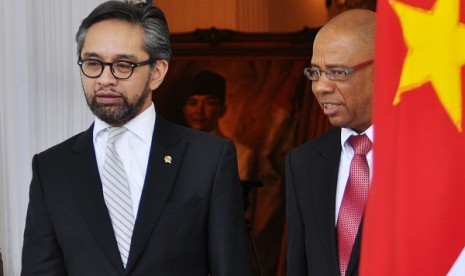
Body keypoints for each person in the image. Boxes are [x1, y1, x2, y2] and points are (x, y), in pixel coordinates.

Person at [21, 1, 252, 275]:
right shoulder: (51, 169)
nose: (105, 79)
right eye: (93, 63)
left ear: (157, 73)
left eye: (123, 65)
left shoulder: (208, 160)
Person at [285, 9, 375, 276]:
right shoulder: (302, 163)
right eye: (315, 72)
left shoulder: (429, 158)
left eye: (337, 72)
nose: (320, 87)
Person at [183, 70, 257, 181]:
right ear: (184, 109)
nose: (199, 111)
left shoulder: (240, 154)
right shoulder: (172, 152)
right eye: (193, 103)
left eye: (209, 103)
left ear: (222, 110)